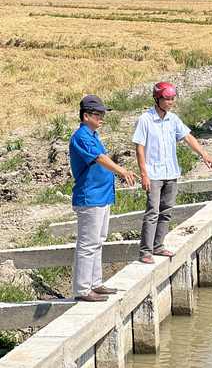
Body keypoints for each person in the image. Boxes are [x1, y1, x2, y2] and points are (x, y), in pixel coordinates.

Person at [133, 82, 212, 264]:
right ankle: (145, 251)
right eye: (167, 99)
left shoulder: (173, 119)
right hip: (153, 174)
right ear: (157, 98)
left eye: (172, 99)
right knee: (152, 212)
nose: (170, 102)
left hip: (171, 173)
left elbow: (187, 137)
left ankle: (158, 245)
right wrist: (144, 174)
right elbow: (139, 149)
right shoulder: (145, 120)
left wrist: (204, 155)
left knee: (167, 211)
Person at [69, 95, 138, 302]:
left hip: (101, 196)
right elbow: (99, 159)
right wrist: (122, 171)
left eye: (103, 114)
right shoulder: (81, 137)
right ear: (86, 115)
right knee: (88, 244)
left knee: (98, 241)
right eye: (98, 114)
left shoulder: (93, 135)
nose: (102, 117)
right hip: (89, 197)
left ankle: (95, 283)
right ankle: (82, 289)